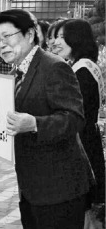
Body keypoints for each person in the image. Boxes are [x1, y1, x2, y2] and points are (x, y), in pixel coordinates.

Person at [0, 9, 92, 228]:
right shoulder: (17, 71)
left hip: (59, 189)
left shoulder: (54, 67)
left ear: (29, 34)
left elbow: (74, 118)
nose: (0, 44)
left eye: (7, 36)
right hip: (31, 188)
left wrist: (35, 124)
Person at [53, 19, 105, 213]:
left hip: (81, 144)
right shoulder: (85, 66)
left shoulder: (81, 71)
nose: (56, 42)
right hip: (88, 138)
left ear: (76, 39)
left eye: (61, 37)